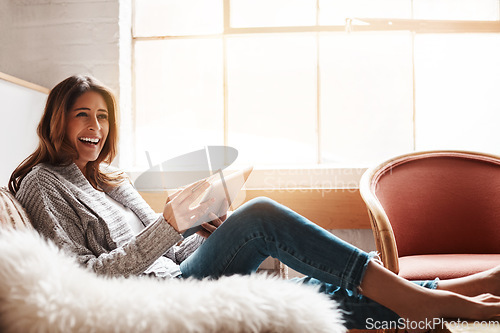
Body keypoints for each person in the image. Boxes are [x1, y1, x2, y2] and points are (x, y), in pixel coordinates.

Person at [9, 75, 500, 331]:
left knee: (312, 290)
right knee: (262, 213)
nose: (95, 128)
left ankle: (458, 295)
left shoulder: (112, 181)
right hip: (151, 297)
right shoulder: (40, 184)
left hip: (177, 274)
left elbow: (171, 252)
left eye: (102, 117)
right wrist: (168, 224)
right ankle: (423, 301)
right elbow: (82, 280)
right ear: (57, 120)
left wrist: (205, 229)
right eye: (82, 116)